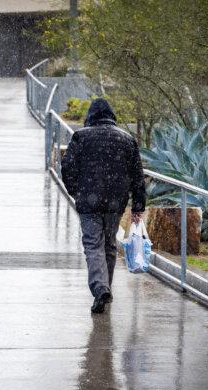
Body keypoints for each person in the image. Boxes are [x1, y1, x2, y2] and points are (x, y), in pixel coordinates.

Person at [62, 98, 146, 314]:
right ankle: (105, 288)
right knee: (109, 244)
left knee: (92, 244)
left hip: (89, 202)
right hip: (115, 202)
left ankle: (100, 288)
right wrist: (138, 205)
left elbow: (67, 167)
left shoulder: (81, 137)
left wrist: (76, 191)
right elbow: (138, 176)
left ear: (91, 115)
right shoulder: (127, 139)